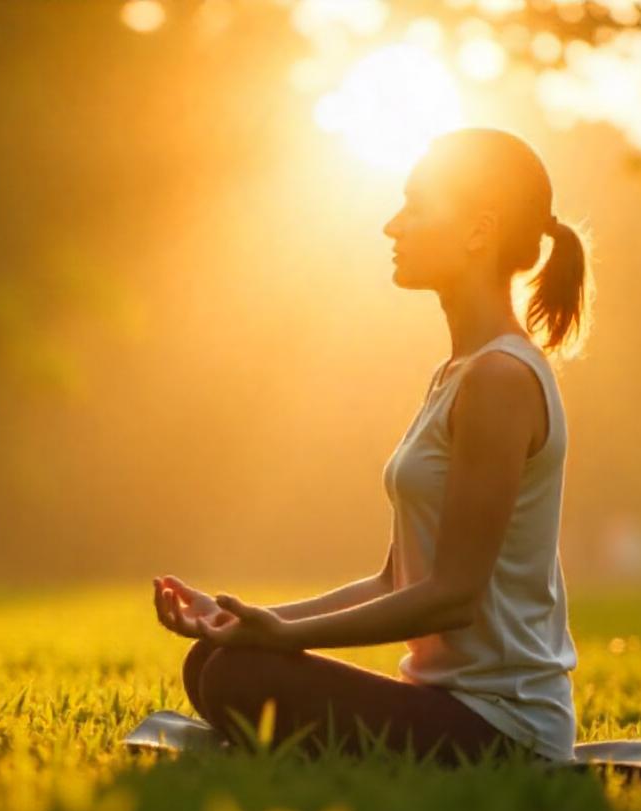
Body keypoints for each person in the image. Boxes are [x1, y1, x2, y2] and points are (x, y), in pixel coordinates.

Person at [151, 126, 595, 766]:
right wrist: (251, 621)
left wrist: (287, 639)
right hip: (450, 707)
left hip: (503, 731)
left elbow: (454, 595)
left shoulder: (501, 380)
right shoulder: (458, 375)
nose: (393, 225)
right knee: (216, 658)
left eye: (416, 205)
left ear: (479, 230)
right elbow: (396, 579)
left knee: (236, 677)